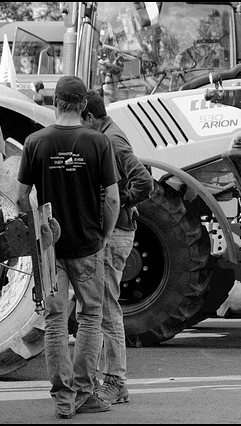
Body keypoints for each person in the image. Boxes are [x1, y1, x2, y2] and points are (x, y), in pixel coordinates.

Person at [16, 76, 120, 419]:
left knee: (55, 321)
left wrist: (39, 234)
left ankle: (63, 399)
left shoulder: (35, 142)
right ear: (83, 105)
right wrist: (103, 235)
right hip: (88, 245)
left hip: (51, 250)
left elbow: (20, 198)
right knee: (91, 317)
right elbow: (114, 200)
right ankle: (85, 393)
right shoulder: (98, 142)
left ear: (55, 102)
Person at [81, 90, 153, 404]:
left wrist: (118, 202)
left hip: (116, 233)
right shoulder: (107, 135)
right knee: (103, 305)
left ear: (89, 117)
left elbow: (144, 181)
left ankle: (114, 379)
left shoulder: (111, 141)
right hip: (115, 232)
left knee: (107, 307)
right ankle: (110, 378)